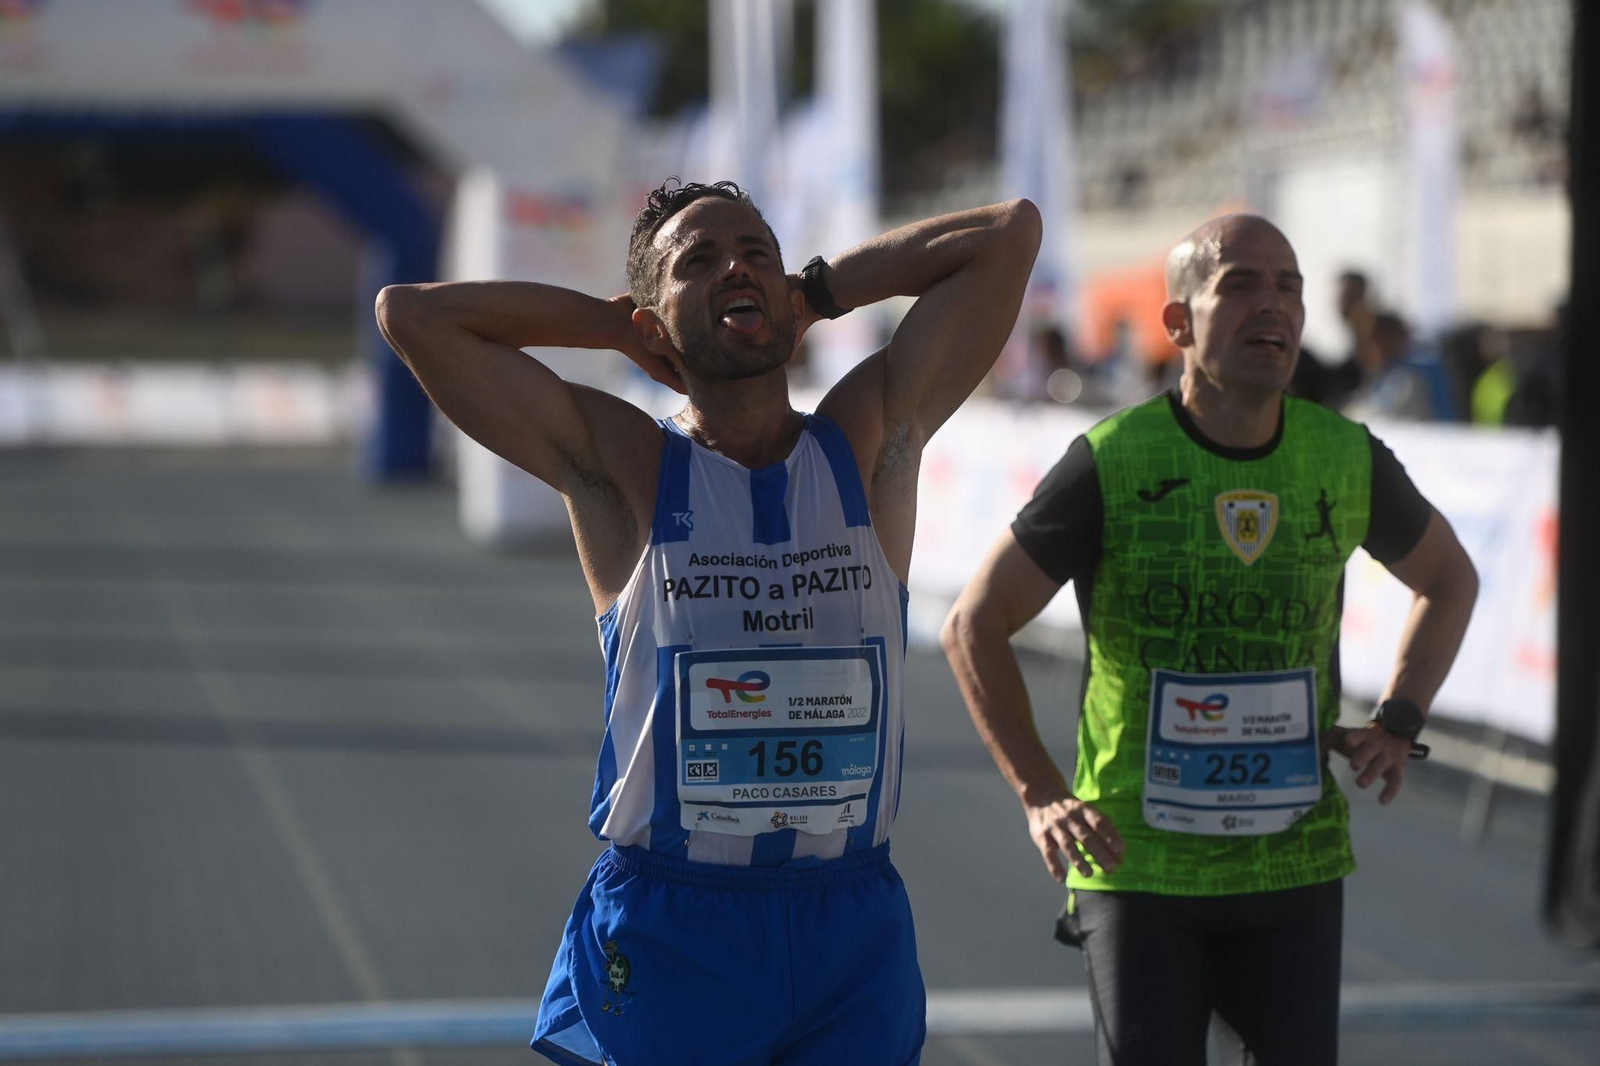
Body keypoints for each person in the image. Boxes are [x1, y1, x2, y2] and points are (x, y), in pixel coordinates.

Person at [376, 179, 1040, 1066]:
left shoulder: (870, 438)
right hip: (676, 924)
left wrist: (819, 289)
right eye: (700, 261)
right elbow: (413, 317)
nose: (737, 266)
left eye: (755, 252)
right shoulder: (626, 463)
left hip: (851, 928)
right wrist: (617, 327)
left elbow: (1007, 235)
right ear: (656, 321)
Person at [940, 214, 1477, 1066]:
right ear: (1179, 323)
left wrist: (1401, 716)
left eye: (1291, 287)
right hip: (1140, 863)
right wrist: (1041, 793)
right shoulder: (1112, 461)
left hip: (1291, 861)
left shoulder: (1345, 457)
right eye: (1242, 284)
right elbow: (974, 624)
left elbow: (1450, 581)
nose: (1275, 304)